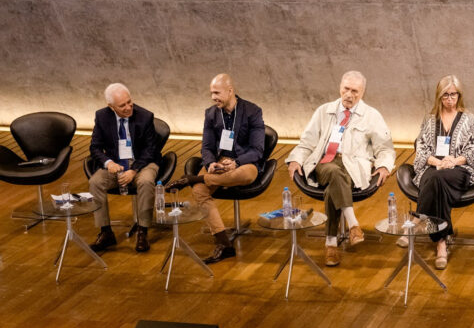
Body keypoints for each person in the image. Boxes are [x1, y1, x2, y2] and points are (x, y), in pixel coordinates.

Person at [286, 71, 396, 267]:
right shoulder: (324, 111)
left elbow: (385, 147)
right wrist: (295, 160)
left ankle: (331, 243)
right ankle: (353, 224)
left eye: (355, 91)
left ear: (362, 93)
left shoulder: (371, 115)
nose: (349, 94)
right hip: (325, 163)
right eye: (346, 89)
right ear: (340, 87)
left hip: (353, 166)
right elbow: (307, 142)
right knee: (335, 172)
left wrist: (384, 166)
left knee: (334, 186)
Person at [167, 74, 265, 264]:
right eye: (211, 93)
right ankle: (224, 243)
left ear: (230, 91)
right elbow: (207, 147)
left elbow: (258, 150)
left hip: (244, 163)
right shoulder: (211, 113)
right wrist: (211, 162)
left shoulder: (252, 111)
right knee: (199, 190)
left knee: (246, 175)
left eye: (217, 93)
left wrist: (236, 161)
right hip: (219, 163)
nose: (213, 97)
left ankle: (193, 178)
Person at [398, 75, 474, 269]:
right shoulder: (429, 119)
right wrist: (436, 161)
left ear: (459, 96)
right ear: (439, 97)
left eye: (453, 95)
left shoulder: (469, 119)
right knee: (437, 180)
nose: (450, 99)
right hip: (432, 167)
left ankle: (418, 218)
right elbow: (422, 147)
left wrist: (454, 160)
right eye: (445, 95)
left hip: (459, 169)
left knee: (438, 179)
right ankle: (441, 244)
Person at [88, 83, 160, 254]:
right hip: (116, 164)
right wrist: (108, 163)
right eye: (122, 105)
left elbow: (151, 149)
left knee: (146, 181)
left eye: (130, 102)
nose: (128, 107)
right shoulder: (102, 116)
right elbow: (95, 147)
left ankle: (143, 231)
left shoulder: (145, 116)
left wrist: (133, 170)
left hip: (142, 163)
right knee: (95, 182)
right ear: (111, 106)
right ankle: (105, 232)